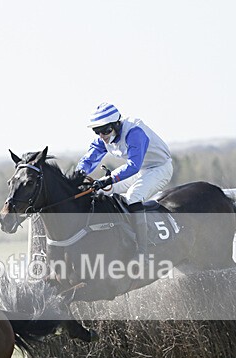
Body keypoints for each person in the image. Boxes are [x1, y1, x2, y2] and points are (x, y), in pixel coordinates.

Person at [74, 102, 174, 255]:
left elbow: (133, 165)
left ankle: (142, 250)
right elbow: (88, 160)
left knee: (133, 197)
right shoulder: (103, 139)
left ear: (116, 124)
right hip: (140, 169)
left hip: (159, 168)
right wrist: (77, 176)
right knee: (103, 190)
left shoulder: (134, 132)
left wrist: (109, 179)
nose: (102, 136)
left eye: (105, 130)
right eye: (97, 131)